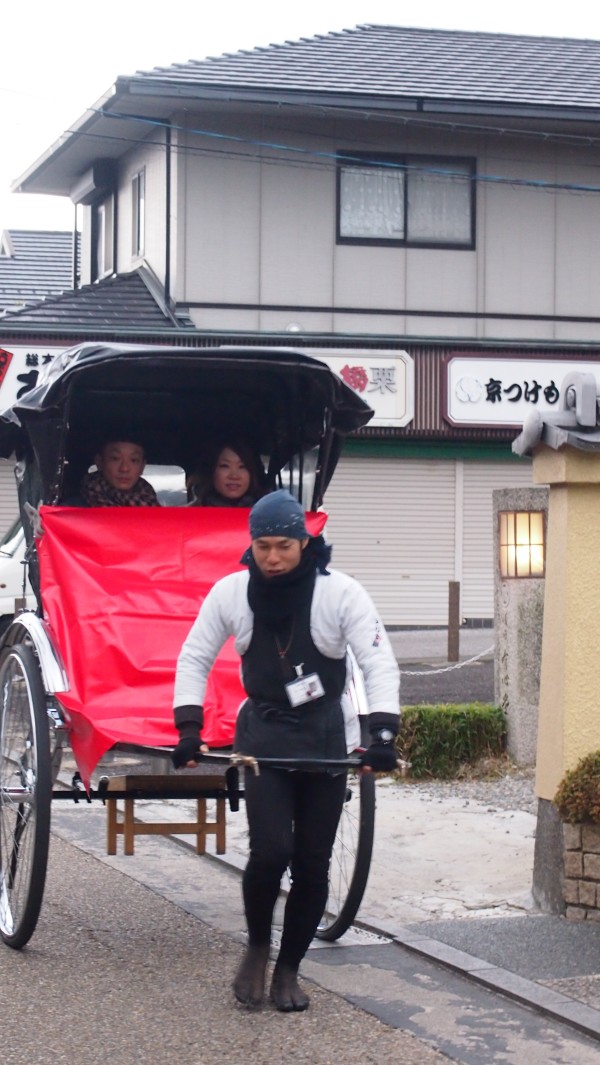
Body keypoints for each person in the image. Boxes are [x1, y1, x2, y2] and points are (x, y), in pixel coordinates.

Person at [172, 489, 400, 1012]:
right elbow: (194, 656)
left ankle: (290, 969)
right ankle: (257, 946)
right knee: (271, 850)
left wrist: (382, 735)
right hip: (265, 741)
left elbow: (377, 662)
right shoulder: (232, 592)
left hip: (326, 739)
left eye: (283, 547)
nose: (272, 559)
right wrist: (189, 726)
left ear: (304, 541)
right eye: (262, 547)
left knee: (313, 863)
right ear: (249, 545)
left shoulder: (340, 593)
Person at [68, 438, 160, 507]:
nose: (124, 468)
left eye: (134, 460)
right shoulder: (73, 509)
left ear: (142, 466)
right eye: (115, 458)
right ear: (99, 462)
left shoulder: (155, 511)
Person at [187, 440, 266, 507]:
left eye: (242, 466)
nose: (234, 476)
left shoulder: (267, 514)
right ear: (211, 471)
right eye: (225, 466)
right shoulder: (190, 514)